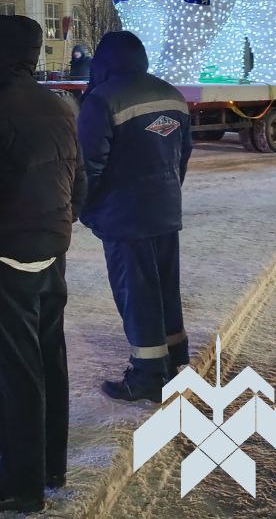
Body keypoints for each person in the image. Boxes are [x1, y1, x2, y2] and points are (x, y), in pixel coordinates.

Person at [0, 15, 86, 513]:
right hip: (52, 252)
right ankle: (50, 463)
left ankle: (20, 484)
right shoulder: (58, 105)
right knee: (49, 358)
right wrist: (60, 224)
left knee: (14, 372)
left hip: (3, 257)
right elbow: (78, 178)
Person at [76, 31, 192, 403]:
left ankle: (146, 375)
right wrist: (168, 193)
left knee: (136, 293)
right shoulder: (172, 95)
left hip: (125, 215)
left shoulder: (102, 100)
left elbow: (88, 166)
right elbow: (183, 155)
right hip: (165, 209)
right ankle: (173, 360)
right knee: (163, 289)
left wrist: (84, 207)